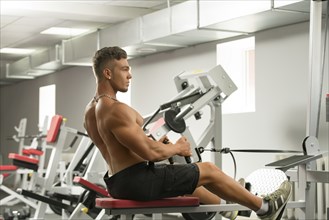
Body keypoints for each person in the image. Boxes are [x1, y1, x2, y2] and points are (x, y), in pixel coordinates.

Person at [84, 46, 292, 220]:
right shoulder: (115, 110)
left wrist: (159, 137)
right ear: (108, 73)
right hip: (136, 181)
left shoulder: (92, 110)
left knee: (191, 178)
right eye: (124, 69)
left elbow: (139, 128)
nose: (130, 75)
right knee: (208, 169)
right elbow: (150, 152)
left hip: (116, 182)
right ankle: (265, 208)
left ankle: (235, 207)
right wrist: (177, 147)